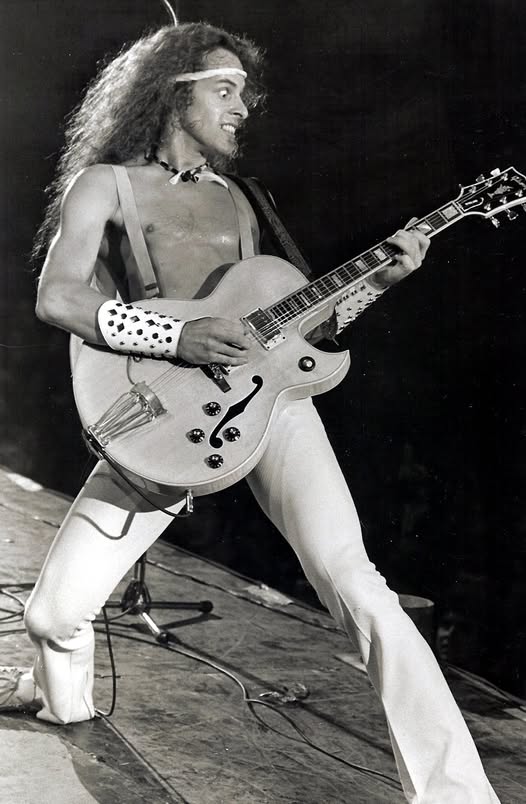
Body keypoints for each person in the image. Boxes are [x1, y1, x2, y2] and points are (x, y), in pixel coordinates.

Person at [1, 22, 499, 803]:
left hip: (266, 412)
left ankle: (457, 793)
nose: (242, 109)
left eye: (243, 94)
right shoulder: (106, 184)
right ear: (171, 93)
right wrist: (178, 335)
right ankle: (60, 700)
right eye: (224, 91)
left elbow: (295, 331)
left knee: (356, 581)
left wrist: (378, 283)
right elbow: (59, 298)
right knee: (53, 616)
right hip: (163, 415)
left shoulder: (242, 199)